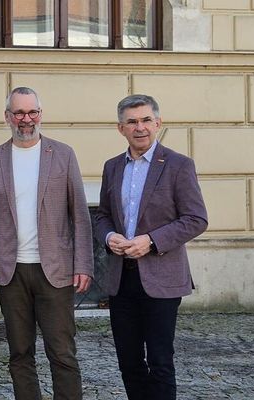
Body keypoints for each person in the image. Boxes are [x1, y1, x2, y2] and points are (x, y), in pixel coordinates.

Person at [0, 86, 94, 400]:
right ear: (7, 117)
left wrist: (84, 264)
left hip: (55, 270)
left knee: (62, 352)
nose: (26, 119)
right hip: (10, 272)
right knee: (19, 353)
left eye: (32, 112)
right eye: (19, 113)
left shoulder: (63, 154)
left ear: (41, 114)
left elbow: (80, 215)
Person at [93, 94, 208, 400]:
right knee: (129, 362)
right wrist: (109, 236)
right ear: (120, 128)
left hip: (162, 278)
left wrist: (152, 241)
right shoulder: (112, 167)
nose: (139, 127)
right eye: (132, 122)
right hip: (122, 279)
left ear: (158, 123)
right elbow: (102, 215)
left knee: (160, 362)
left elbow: (196, 219)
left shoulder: (178, 165)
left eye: (146, 120)